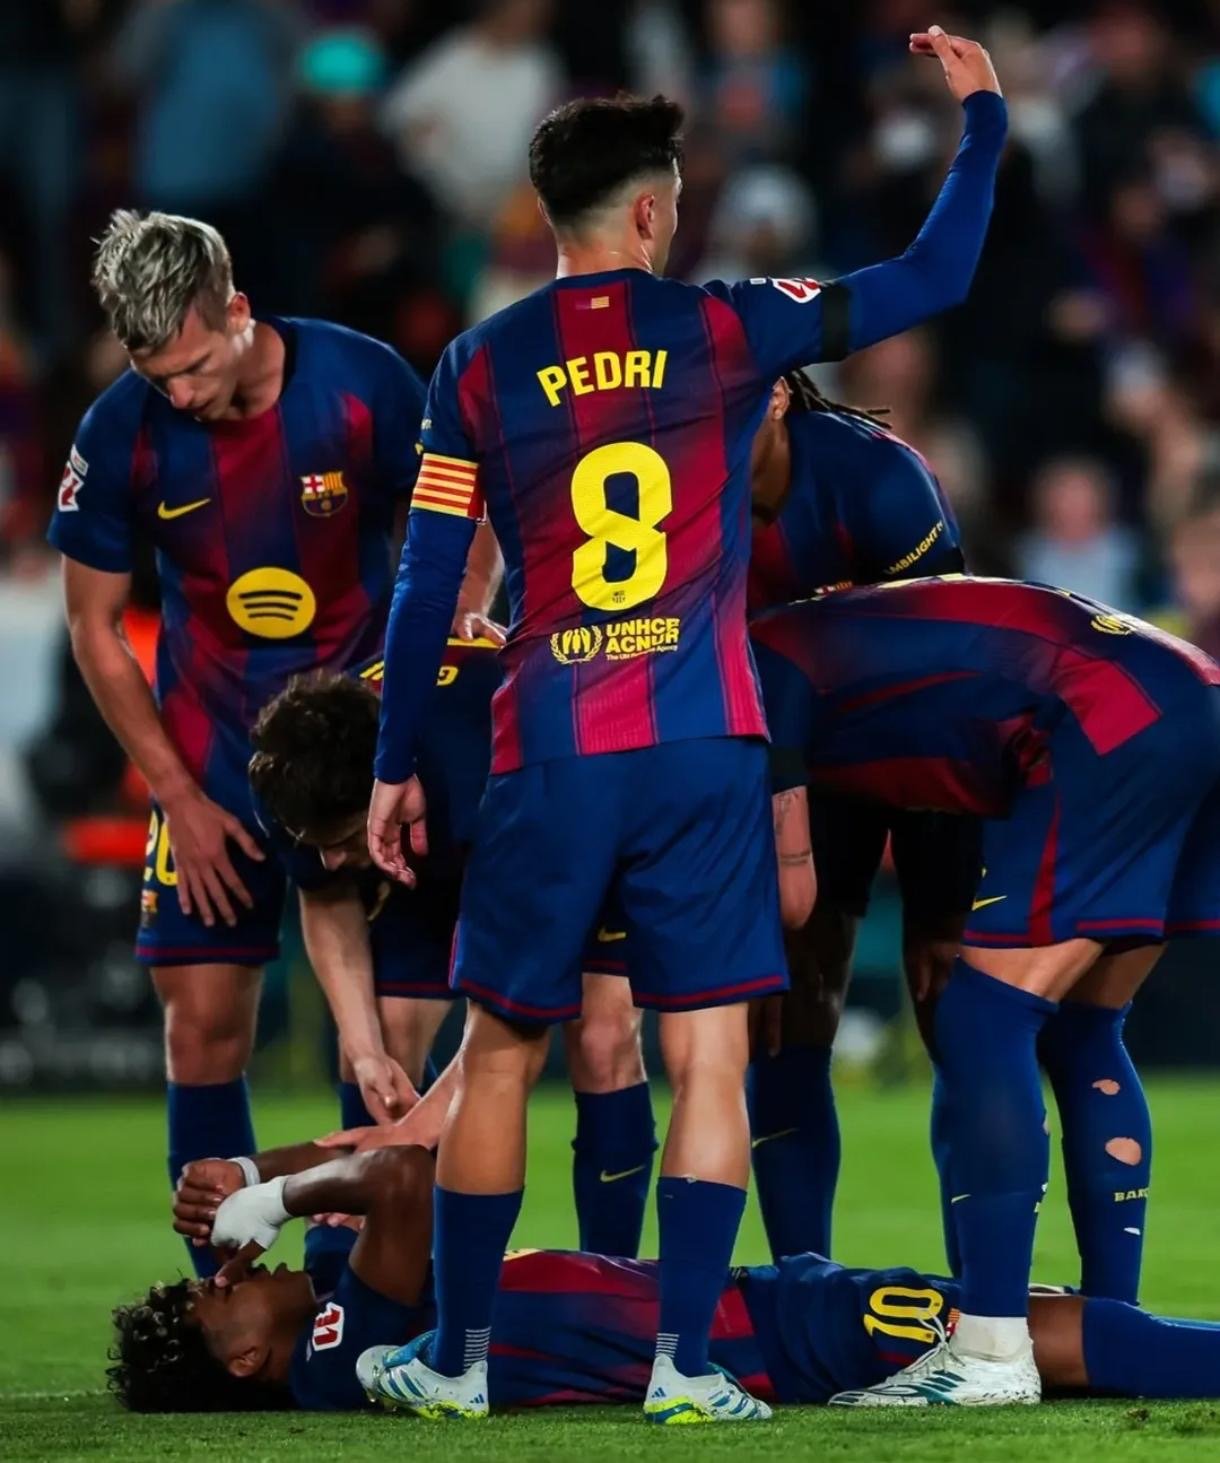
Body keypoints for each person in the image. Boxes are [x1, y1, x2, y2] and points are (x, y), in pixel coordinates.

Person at [365, 28, 1006, 1423]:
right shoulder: (727, 327)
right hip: (705, 740)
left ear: (550, 215)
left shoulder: (475, 365)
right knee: (708, 1051)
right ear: (653, 213)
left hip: (549, 745)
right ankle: (688, 1368)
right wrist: (983, 120)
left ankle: (458, 1361)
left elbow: (426, 584)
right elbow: (936, 274)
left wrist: (395, 758)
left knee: (504, 1049)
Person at [44, 210, 492, 1273]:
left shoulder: (361, 384)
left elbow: (457, 514)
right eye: (156, 376)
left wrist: (464, 619)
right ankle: (225, 1301)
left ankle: (350, 1297)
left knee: (384, 1040)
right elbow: (92, 624)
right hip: (210, 763)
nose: (180, 394)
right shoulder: (118, 432)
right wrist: (178, 797)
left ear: (238, 311)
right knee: (201, 1025)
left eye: (194, 367)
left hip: (362, 762)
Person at [750, 575, 1220, 1404]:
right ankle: (1108, 1327)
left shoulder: (754, 662)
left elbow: (787, 866)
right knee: (1085, 1028)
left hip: (1103, 716)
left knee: (982, 1015)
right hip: (1189, 695)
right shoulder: (824, 634)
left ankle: (992, 1349)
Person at [108, 1138, 1220, 1413]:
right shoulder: (336, 1350)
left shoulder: (344, 1298)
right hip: (756, 1334)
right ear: (243, 1357)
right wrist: (274, 1194)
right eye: (218, 1293)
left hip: (745, 1308)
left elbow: (377, 1150)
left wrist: (254, 1172)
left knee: (1036, 1317)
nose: (233, 1267)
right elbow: (400, 1171)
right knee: (1030, 1331)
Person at [248, 653, 659, 1256]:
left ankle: (611, 1278)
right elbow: (326, 894)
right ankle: (357, 1280)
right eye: (316, 844)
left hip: (574, 818)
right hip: (425, 849)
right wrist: (364, 1051)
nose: (329, 859)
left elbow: (520, 1001)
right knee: (383, 1041)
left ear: (389, 795)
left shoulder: (483, 781)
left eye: (343, 840)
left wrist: (413, 1132)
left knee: (602, 1040)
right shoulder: (292, 777)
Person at [745, 369, 980, 1266]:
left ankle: (986, 1299)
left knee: (949, 1000)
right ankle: (801, 1280)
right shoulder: (679, 489)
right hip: (798, 758)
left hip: (921, 742)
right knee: (789, 1013)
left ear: (777, 393)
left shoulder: (879, 479)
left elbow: (945, 665)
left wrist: (937, 868)